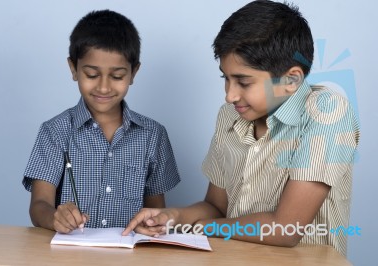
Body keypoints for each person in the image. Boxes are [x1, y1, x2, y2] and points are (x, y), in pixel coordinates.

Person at [123, 0, 360, 256]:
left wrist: (208, 228)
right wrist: (173, 216)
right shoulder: (229, 116)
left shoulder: (328, 113)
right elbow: (216, 206)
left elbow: (285, 229)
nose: (230, 95)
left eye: (243, 82)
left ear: (291, 79)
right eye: (226, 78)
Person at [22, 10, 180, 233]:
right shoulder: (54, 131)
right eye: (92, 75)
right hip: (69, 256)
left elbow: (155, 209)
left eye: (117, 76)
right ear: (73, 68)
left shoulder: (153, 135)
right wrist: (54, 217)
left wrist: (153, 225)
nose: (104, 87)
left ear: (134, 73)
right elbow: (39, 206)